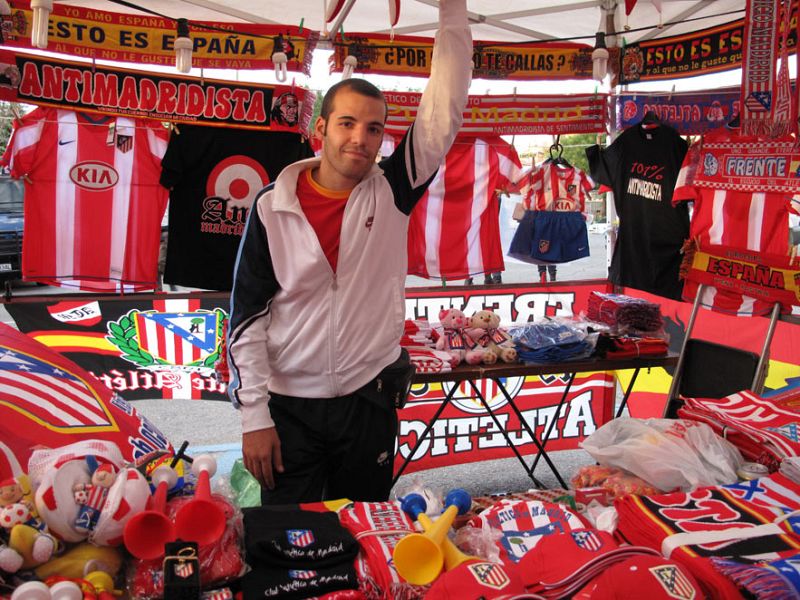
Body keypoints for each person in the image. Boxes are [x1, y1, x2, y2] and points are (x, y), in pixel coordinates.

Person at [227, 0, 472, 505]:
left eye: (374, 129)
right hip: (290, 408)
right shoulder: (273, 206)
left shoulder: (395, 188)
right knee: (289, 537)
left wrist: (452, 10)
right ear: (320, 130)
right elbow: (248, 317)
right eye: (346, 123)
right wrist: (254, 417)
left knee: (365, 532)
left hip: (367, 399)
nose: (360, 139)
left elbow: (444, 105)